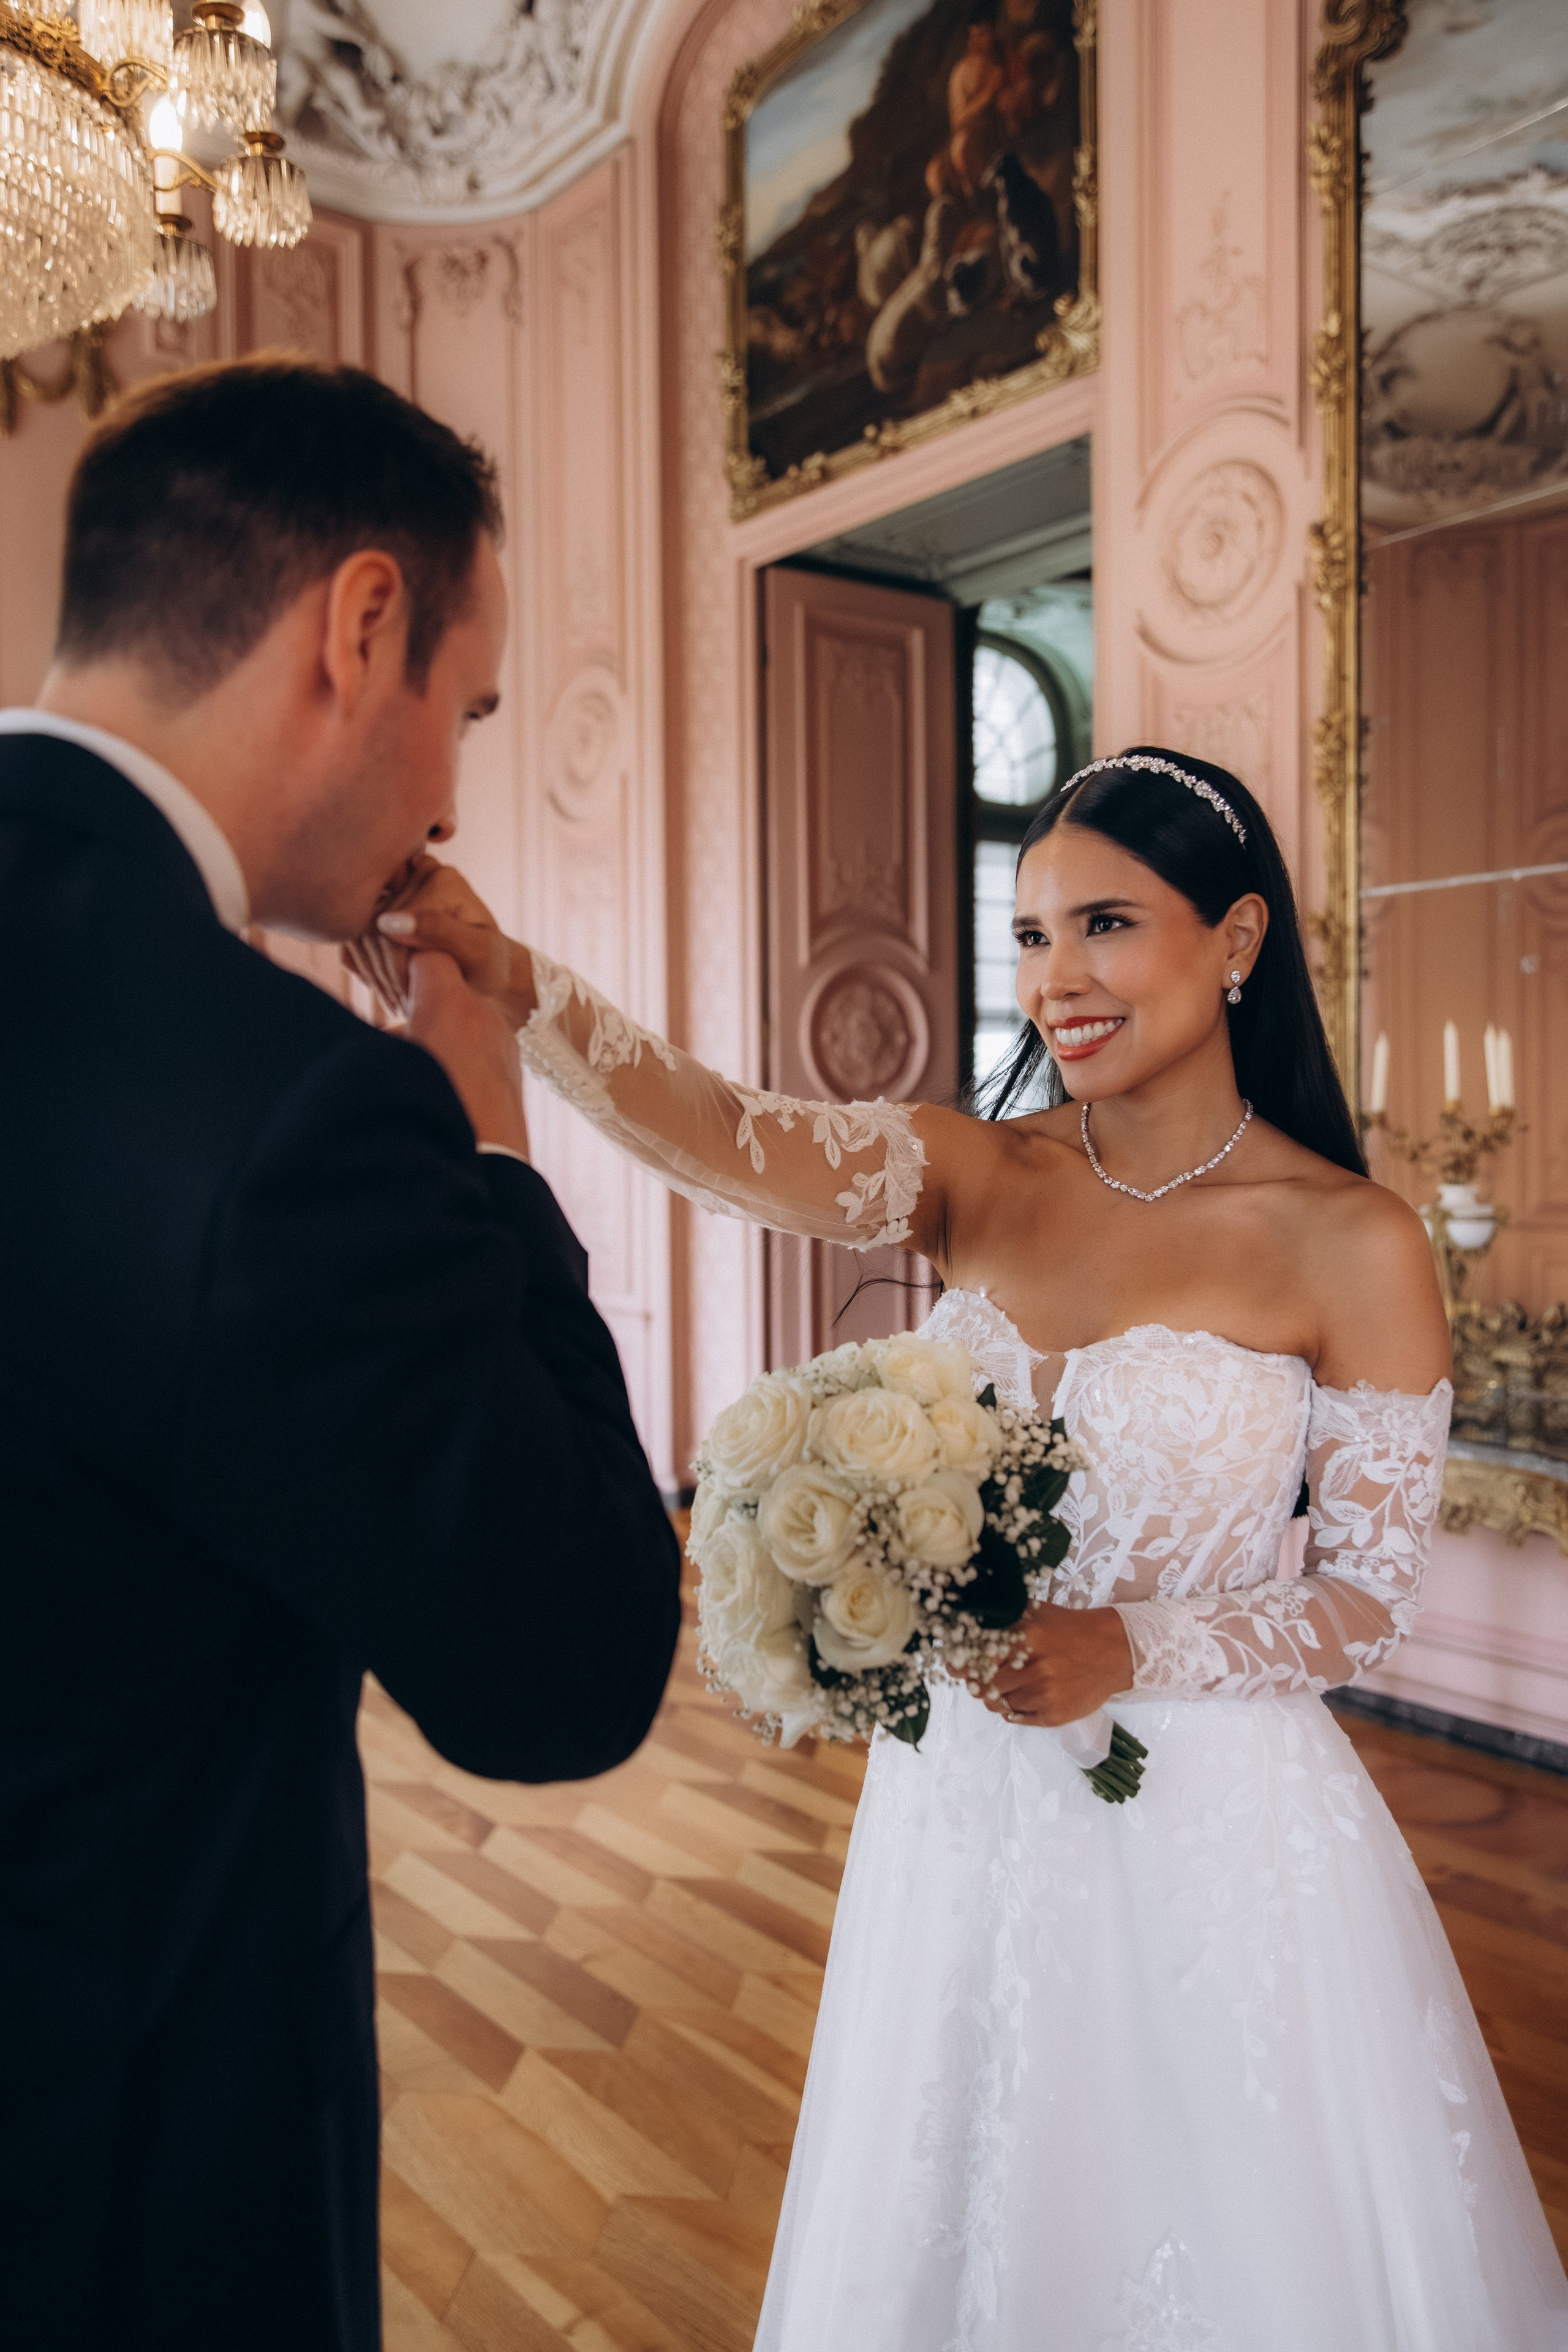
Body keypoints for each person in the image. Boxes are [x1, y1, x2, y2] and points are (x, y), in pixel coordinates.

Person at [372, 748, 1568, 2349]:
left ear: (1237, 941)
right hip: (965, 1800)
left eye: (1105, 926)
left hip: (1213, 1830)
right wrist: (510, 984)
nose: (1055, 979)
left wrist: (1127, 1648)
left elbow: (1364, 1599)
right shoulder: (978, 1172)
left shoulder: (1351, 1242)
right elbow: (718, 1129)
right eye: (1030, 935)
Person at [0, 357, 682, 2352]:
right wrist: (487, 1141)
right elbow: (565, 1665)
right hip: (111, 2171)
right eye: (461, 709)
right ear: (359, 623)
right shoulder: (288, 1105)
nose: (453, 795)